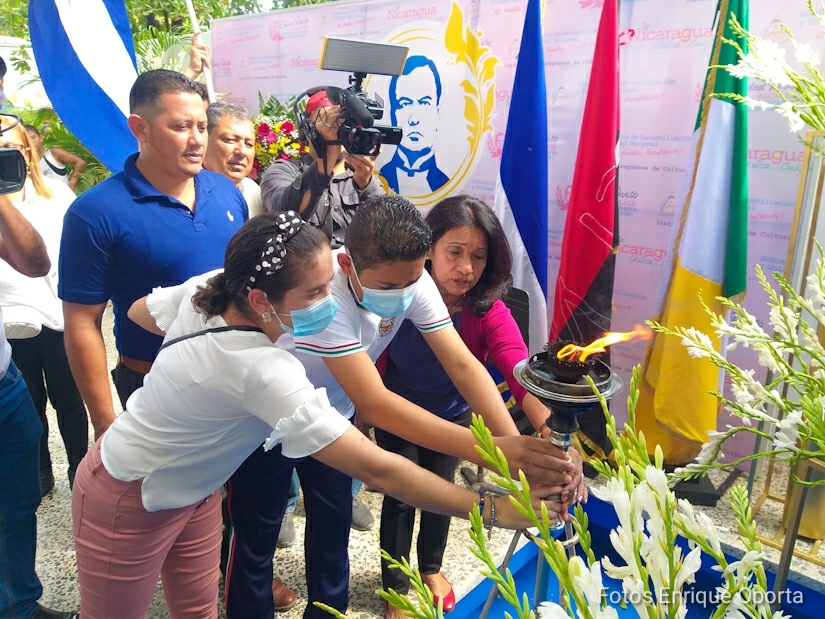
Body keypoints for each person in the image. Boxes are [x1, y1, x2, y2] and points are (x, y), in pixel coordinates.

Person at [70, 211, 554, 619]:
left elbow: (138, 312)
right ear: (260, 300)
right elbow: (379, 463)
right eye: (316, 291)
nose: (329, 303)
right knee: (249, 537)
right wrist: (491, 505)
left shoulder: (215, 287)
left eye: (327, 286)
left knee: (202, 607)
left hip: (198, 489)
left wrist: (189, 376)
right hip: (135, 490)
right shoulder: (266, 369)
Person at [224, 195, 582, 619]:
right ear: (347, 266)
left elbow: (463, 365)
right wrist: (501, 454)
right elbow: (375, 403)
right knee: (256, 533)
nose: (403, 295)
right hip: (267, 422)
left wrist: (518, 452)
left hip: (333, 418)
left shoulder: (413, 280)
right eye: (389, 288)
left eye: (411, 282)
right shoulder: (324, 298)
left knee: (332, 529)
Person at [376, 196, 587, 616]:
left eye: (478, 256)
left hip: (452, 414)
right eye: (454, 252)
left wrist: (553, 436)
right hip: (398, 409)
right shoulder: (399, 294)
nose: (466, 268)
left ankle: (431, 568)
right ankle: (395, 584)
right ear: (429, 248)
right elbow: (373, 359)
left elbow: (521, 374)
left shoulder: (487, 310)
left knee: (442, 488)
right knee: (401, 495)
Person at [58, 69, 247, 443]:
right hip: (155, 385)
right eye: (180, 127)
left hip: (237, 374)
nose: (196, 140)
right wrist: (104, 421)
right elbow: (81, 323)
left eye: (201, 127)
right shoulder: (95, 213)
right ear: (139, 128)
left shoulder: (226, 192)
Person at [261, 89, 385, 532]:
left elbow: (380, 232)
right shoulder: (283, 170)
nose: (339, 126)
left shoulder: (360, 173)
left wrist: (367, 184)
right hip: (299, 308)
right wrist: (322, 162)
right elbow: (284, 211)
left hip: (349, 308)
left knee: (345, 398)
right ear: (308, 125)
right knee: (290, 396)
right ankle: (286, 499)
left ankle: (343, 491)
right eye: (329, 118)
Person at [0, 118, 78, 619]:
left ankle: (19, 604)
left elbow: (37, 261)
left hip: (12, 363)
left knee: (16, 499)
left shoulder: (47, 198)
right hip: (15, 334)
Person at [0, 121, 88, 497]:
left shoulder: (55, 196)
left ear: (28, 152)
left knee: (68, 400)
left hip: (56, 317)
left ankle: (80, 467)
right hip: (10, 323)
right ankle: (41, 471)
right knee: (29, 403)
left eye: (11, 147)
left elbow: (73, 256)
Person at [261, 90, 383, 249]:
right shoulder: (283, 171)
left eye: (342, 124)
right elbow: (285, 216)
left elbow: (383, 230)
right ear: (306, 129)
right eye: (325, 123)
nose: (333, 131)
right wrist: (327, 154)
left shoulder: (361, 177)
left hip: (352, 262)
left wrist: (365, 184)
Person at [379, 56, 449, 195]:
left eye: (424, 103)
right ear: (393, 114)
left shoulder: (445, 184)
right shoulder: (377, 178)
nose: (414, 119)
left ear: (438, 113)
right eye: (405, 104)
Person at [203, 102, 262, 217]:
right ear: (204, 140)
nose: (242, 151)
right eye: (230, 140)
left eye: (249, 144)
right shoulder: (188, 192)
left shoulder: (253, 190)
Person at [24, 125, 86, 192]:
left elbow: (80, 162)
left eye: (33, 137)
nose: (31, 142)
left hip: (65, 194)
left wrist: (72, 183)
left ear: (41, 138)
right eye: (27, 140)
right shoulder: (28, 161)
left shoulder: (53, 152)